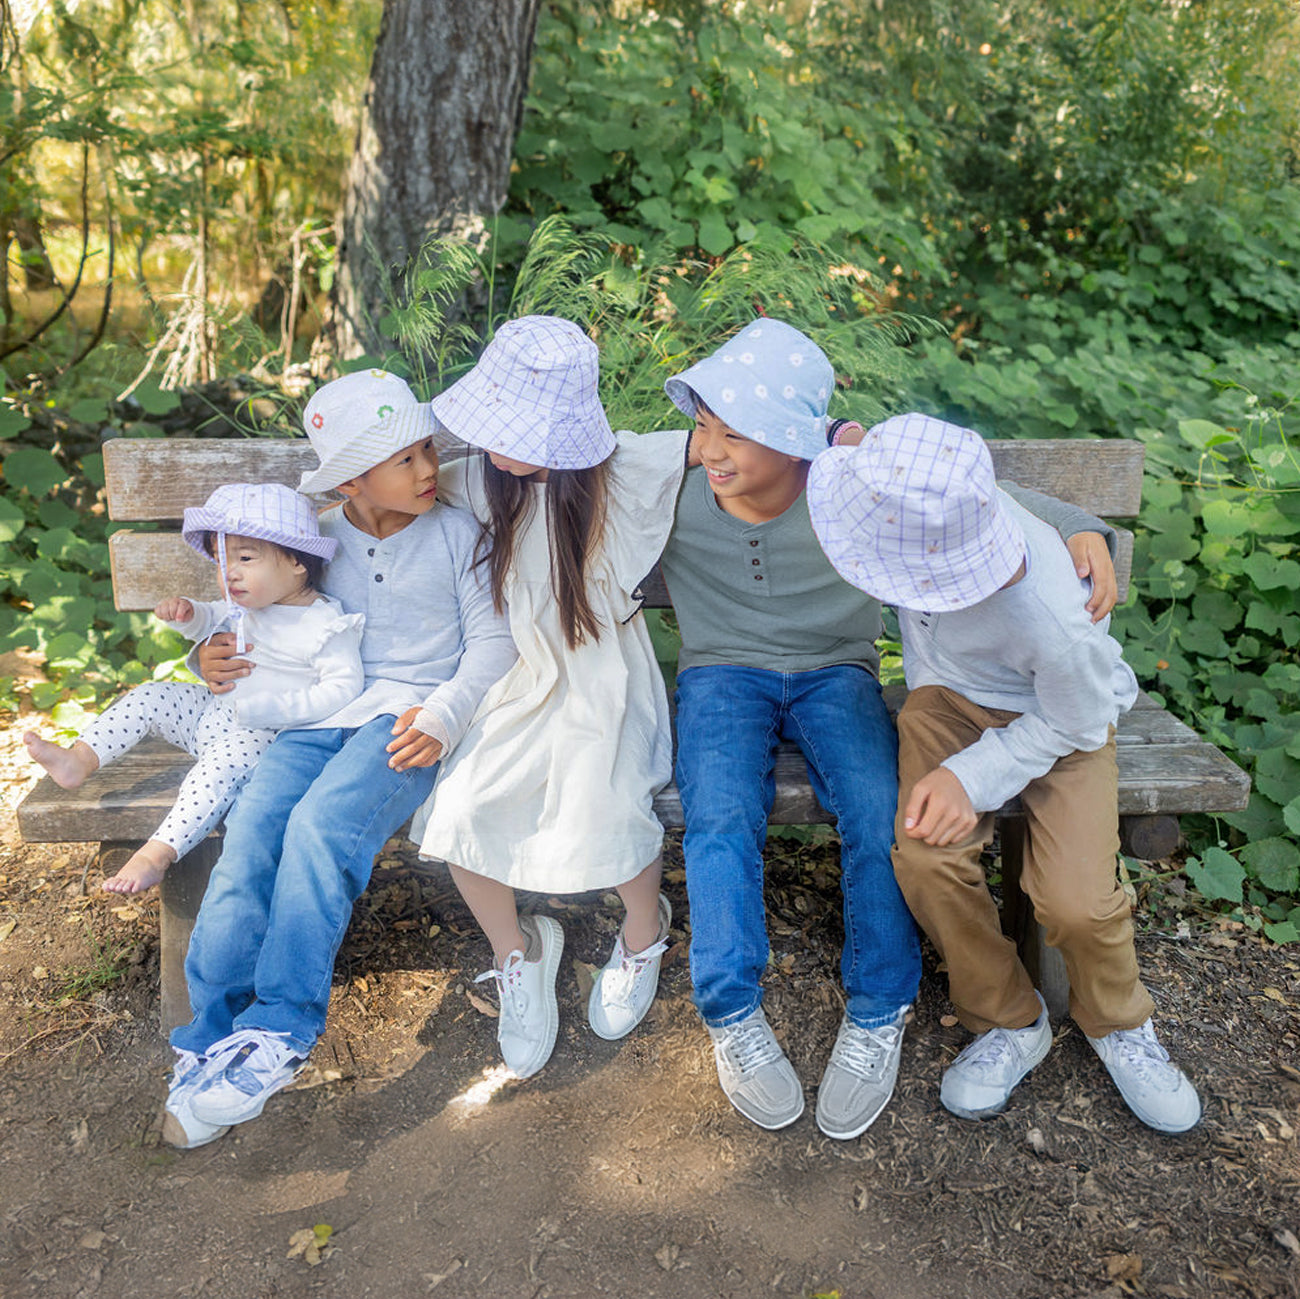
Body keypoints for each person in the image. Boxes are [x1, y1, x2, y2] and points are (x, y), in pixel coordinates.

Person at [657, 318, 1119, 1139]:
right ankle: (729, 1007)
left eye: (735, 432)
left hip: (839, 670)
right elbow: (542, 462)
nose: (711, 450)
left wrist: (1081, 520)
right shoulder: (674, 479)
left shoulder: (852, 481)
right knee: (719, 815)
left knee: (881, 814)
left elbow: (979, 494)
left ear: (798, 443)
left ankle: (878, 1007)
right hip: (720, 671)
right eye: (704, 426)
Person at [806, 413, 1201, 1133]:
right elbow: (849, 441)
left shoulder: (1051, 615)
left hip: (1060, 716)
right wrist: (839, 430)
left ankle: (1117, 1021)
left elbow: (1077, 722)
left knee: (1074, 901)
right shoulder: (922, 488)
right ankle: (1010, 1018)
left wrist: (973, 774)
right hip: (948, 699)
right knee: (924, 858)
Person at [163, 369, 516, 1149]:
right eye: (407, 459)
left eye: (429, 449)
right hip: (317, 710)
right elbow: (252, 614)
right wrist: (209, 656)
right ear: (353, 480)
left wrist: (447, 713)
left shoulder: (459, 535)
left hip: (410, 718)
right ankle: (209, 1038)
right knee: (253, 824)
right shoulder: (314, 540)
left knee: (322, 826)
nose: (430, 469)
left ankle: (280, 1030)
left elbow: (494, 640)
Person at [411, 316, 685, 1078]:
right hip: (516, 679)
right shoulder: (478, 476)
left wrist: (839, 430)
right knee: (461, 806)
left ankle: (641, 928)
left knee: (606, 795)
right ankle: (518, 949)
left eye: (512, 428)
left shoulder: (624, 473)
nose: (492, 442)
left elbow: (728, 438)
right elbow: (369, 504)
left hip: (606, 679)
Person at [23, 483, 363, 896]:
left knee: (213, 773)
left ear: (296, 562)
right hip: (208, 713)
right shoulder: (244, 607)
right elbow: (208, 620)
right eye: (222, 562)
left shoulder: (323, 624)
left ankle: (157, 853)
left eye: (245, 558)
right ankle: (79, 760)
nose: (229, 573)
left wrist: (274, 707)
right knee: (152, 694)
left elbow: (343, 688)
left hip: (261, 737)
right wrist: (188, 614)